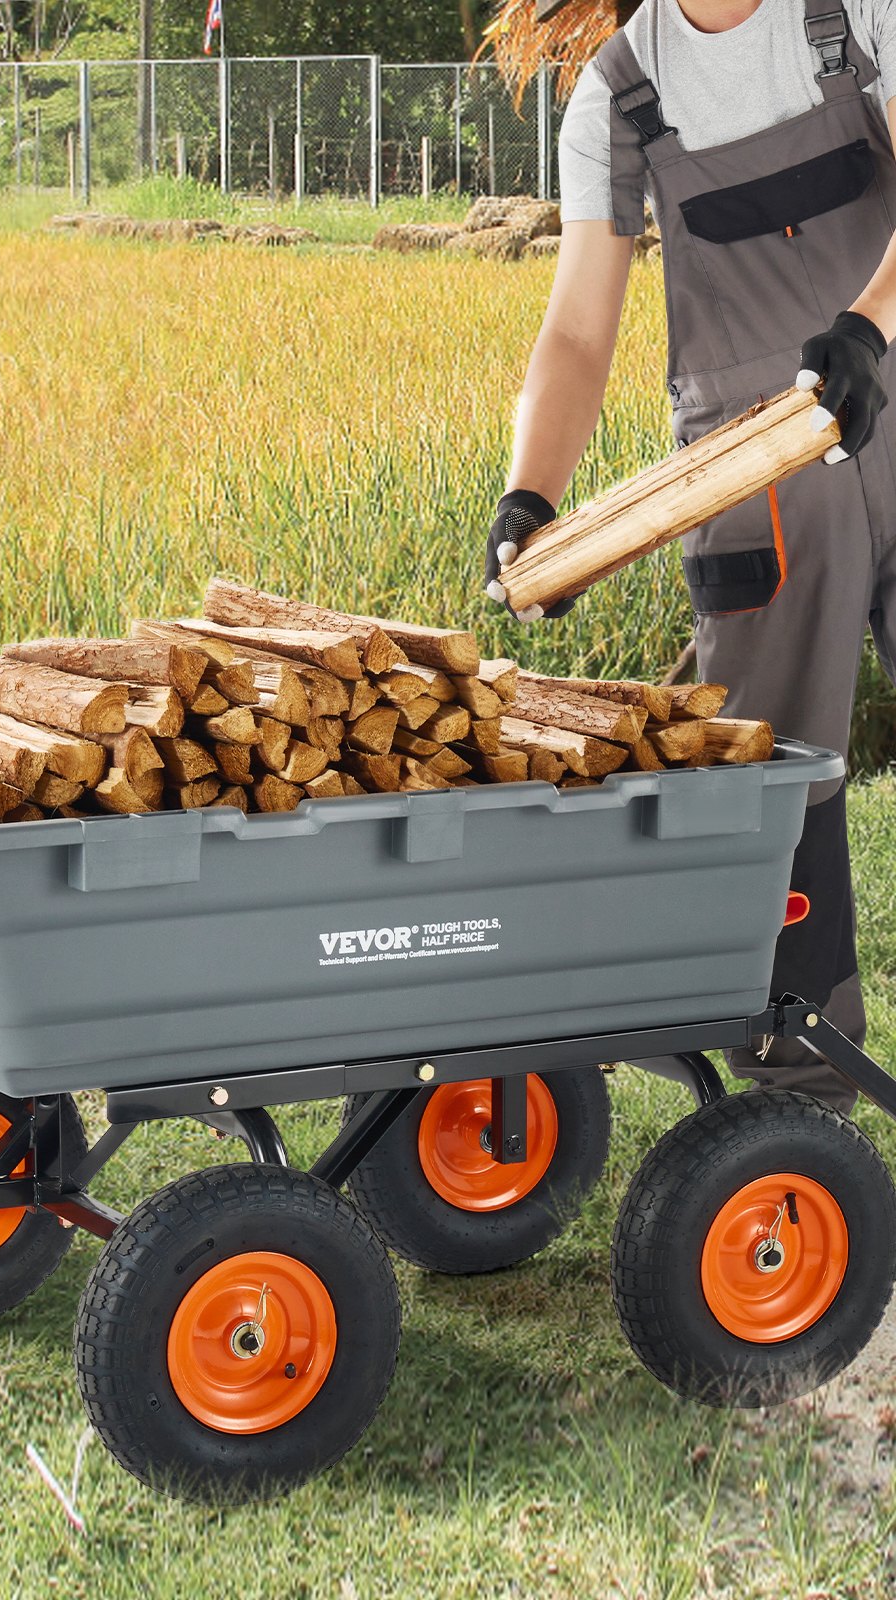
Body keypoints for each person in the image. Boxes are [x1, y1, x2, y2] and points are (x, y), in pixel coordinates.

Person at [485, 0, 896, 1112]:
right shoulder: (618, 95)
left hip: (890, 387)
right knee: (775, 778)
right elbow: (577, 327)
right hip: (747, 477)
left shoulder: (858, 18)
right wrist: (533, 494)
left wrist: (868, 326)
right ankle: (793, 1112)